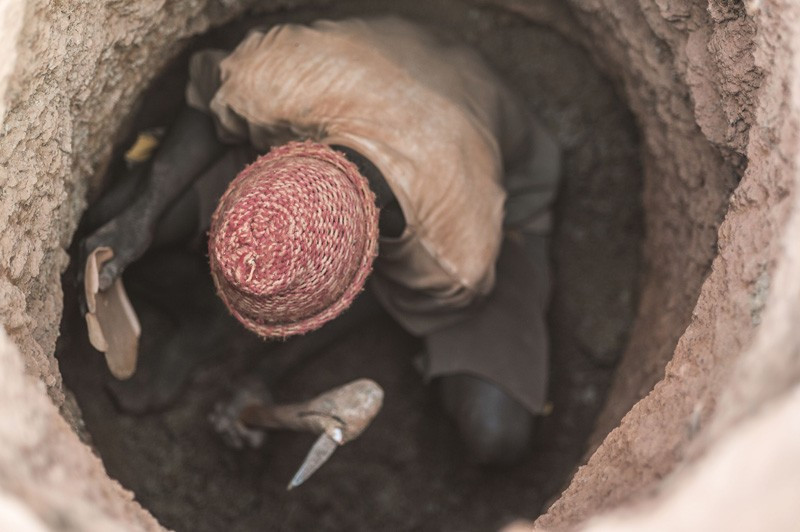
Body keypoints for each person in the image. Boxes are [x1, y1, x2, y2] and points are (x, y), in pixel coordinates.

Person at [82, 16, 560, 465]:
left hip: (501, 189)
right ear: (277, 166)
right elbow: (211, 105)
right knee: (110, 217)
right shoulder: (280, 77)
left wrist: (264, 374)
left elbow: (383, 299)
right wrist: (141, 217)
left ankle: (209, 329)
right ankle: (200, 311)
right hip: (369, 81)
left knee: (496, 433)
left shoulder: (456, 260)